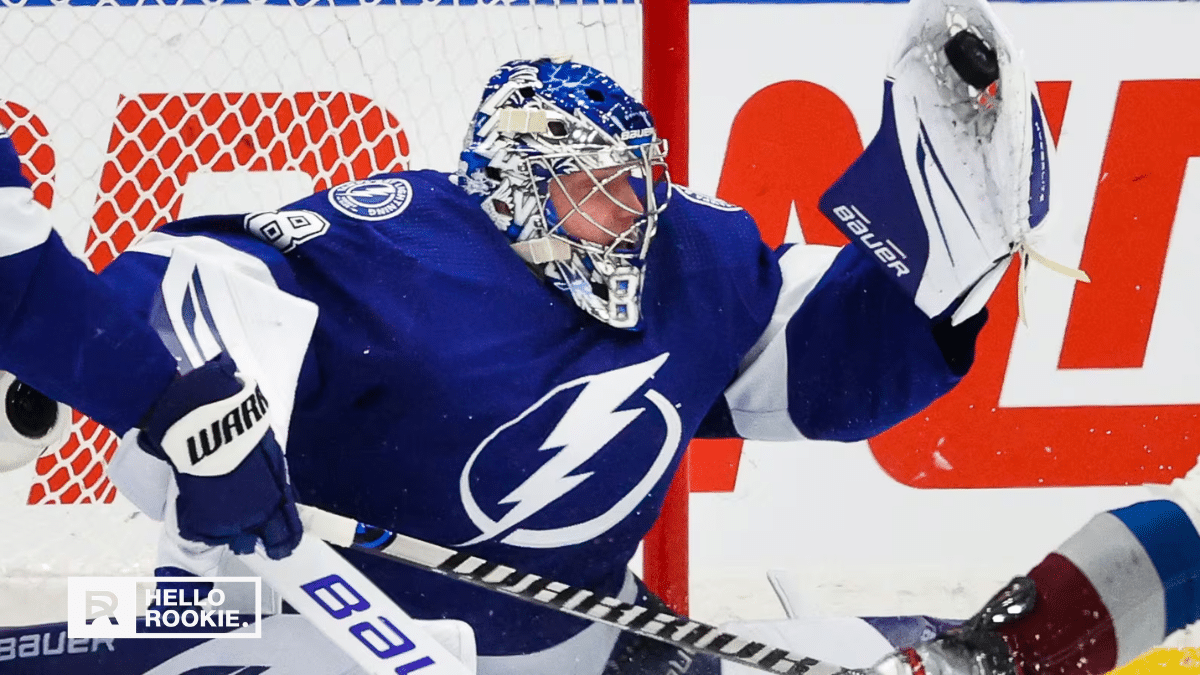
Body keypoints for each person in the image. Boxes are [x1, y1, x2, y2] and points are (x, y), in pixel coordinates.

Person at [0, 0, 1105, 671]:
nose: (634, 220)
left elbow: (817, 378)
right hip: (297, 628)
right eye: (598, 194)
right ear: (519, 190)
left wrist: (938, 289)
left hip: (572, 640)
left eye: (643, 190)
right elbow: (195, 279)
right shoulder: (391, 245)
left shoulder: (692, 260)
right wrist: (206, 411)